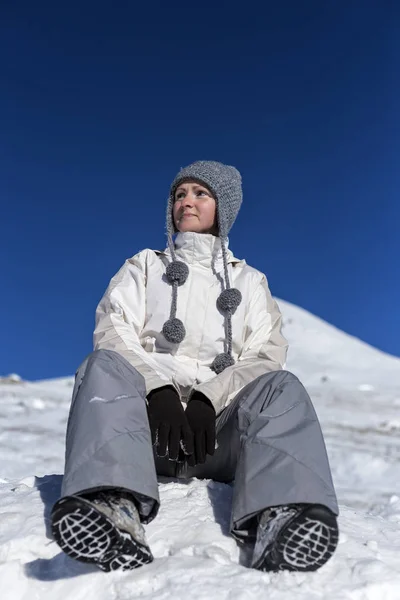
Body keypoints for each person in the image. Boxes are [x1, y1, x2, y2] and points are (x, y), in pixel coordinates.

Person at [51, 160, 339, 573]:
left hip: (216, 437)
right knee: (103, 363)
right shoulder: (144, 266)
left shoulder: (251, 283)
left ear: (223, 207)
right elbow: (114, 328)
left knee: (282, 386)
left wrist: (208, 398)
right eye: (179, 194)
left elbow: (265, 354)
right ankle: (112, 506)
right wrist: (159, 390)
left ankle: (283, 516)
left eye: (200, 193)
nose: (186, 201)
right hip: (145, 431)